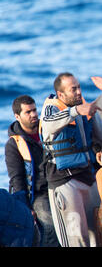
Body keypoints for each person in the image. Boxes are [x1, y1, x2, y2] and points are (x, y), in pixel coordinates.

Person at [40, 72, 102, 247]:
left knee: (98, 232)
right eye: (73, 89)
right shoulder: (51, 109)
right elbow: (49, 124)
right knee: (77, 239)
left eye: (79, 87)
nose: (79, 92)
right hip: (65, 182)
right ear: (61, 94)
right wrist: (74, 111)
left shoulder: (84, 107)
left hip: (88, 177)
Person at [4, 95, 59, 247]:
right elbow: (17, 178)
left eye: (34, 110)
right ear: (17, 116)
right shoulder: (13, 145)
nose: (34, 114)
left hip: (59, 184)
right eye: (28, 112)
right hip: (38, 194)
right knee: (50, 226)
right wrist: (26, 207)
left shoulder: (47, 130)